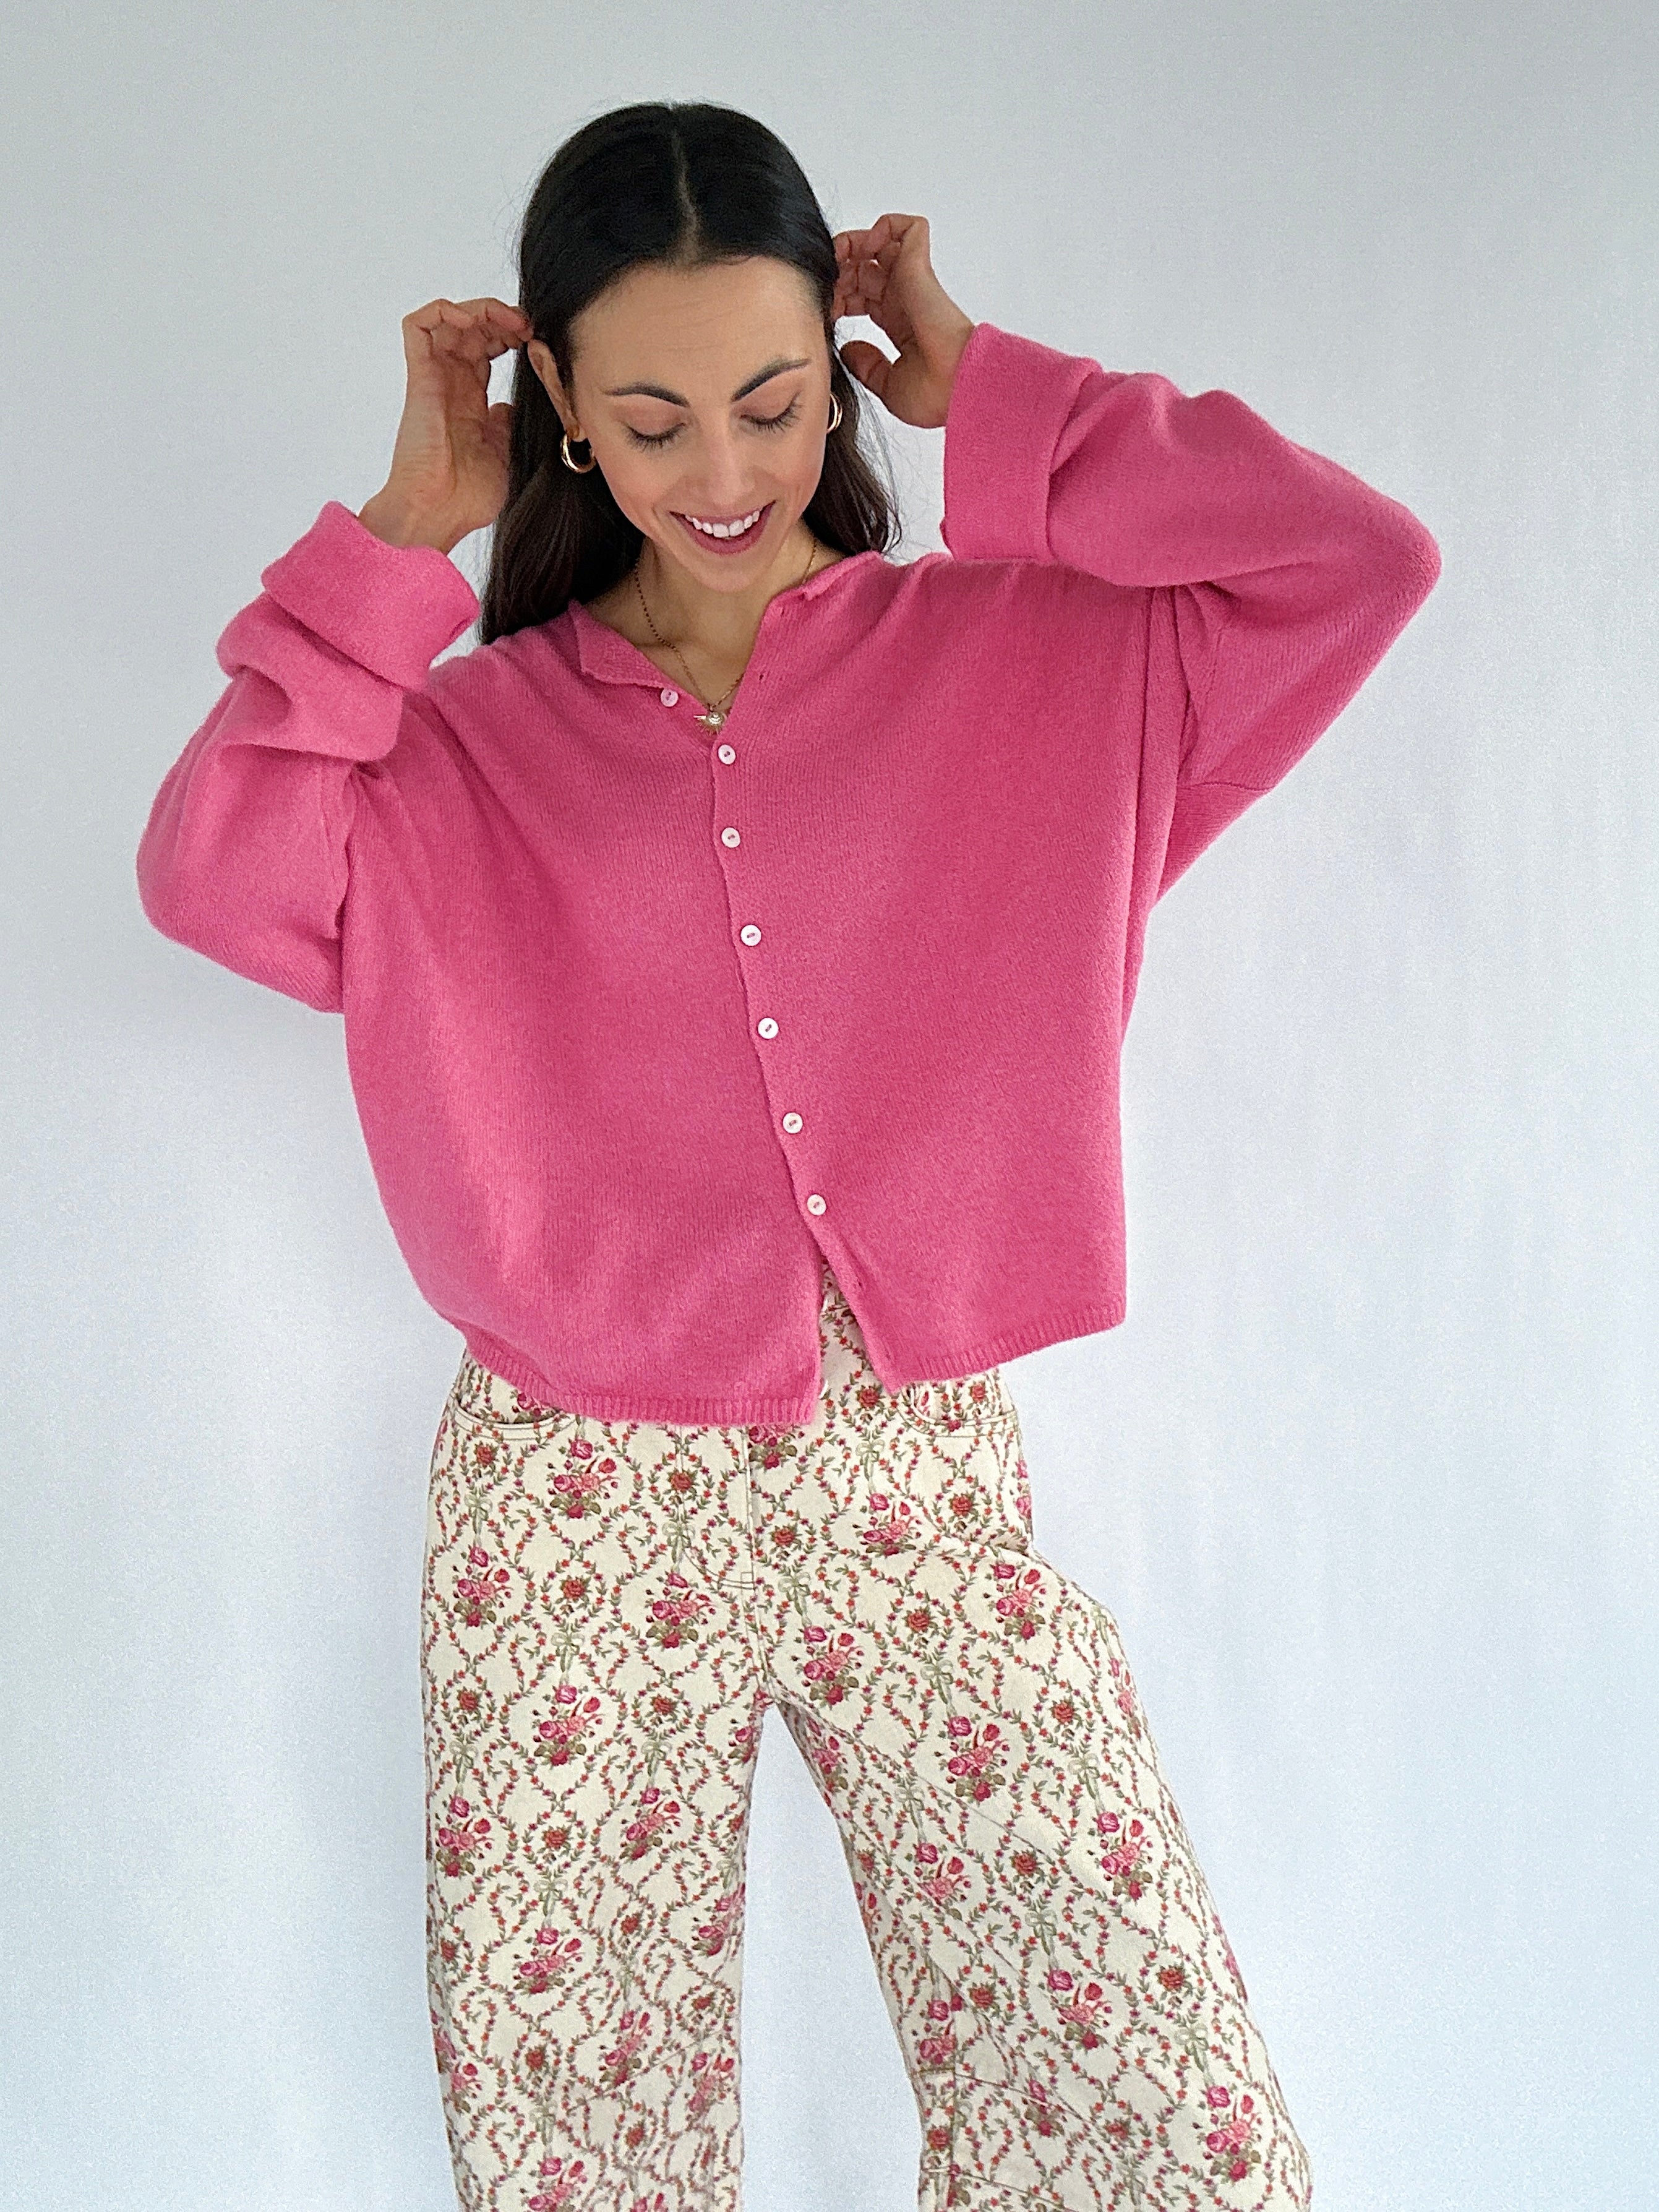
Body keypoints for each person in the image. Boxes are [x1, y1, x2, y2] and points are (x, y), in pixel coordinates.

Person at [135, 98, 1439, 2212]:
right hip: (571, 1482)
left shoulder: (1044, 660)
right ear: (551, 401)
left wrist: (995, 389)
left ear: (834, 362)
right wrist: (402, 532)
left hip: (914, 1465)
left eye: (767, 401)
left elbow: (1352, 561)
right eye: (651, 422)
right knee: (586, 2148)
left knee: (1155, 2121)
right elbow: (216, 877)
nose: (724, 476)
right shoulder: (456, 754)